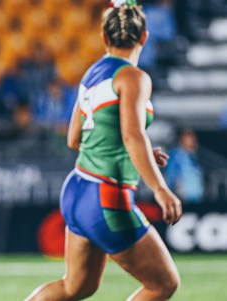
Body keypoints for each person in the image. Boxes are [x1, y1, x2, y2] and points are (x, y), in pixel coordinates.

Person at [26, 1, 182, 300]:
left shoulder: (92, 74)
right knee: (163, 283)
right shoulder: (134, 77)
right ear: (144, 37)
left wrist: (143, 154)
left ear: (104, 37)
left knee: (77, 286)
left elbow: (75, 138)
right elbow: (132, 135)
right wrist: (160, 188)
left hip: (77, 189)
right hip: (107, 198)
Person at [165, 128, 204, 203]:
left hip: (196, 198)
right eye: (189, 138)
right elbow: (171, 175)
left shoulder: (193, 156)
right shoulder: (176, 155)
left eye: (194, 138)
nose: (193, 140)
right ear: (182, 139)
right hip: (183, 199)